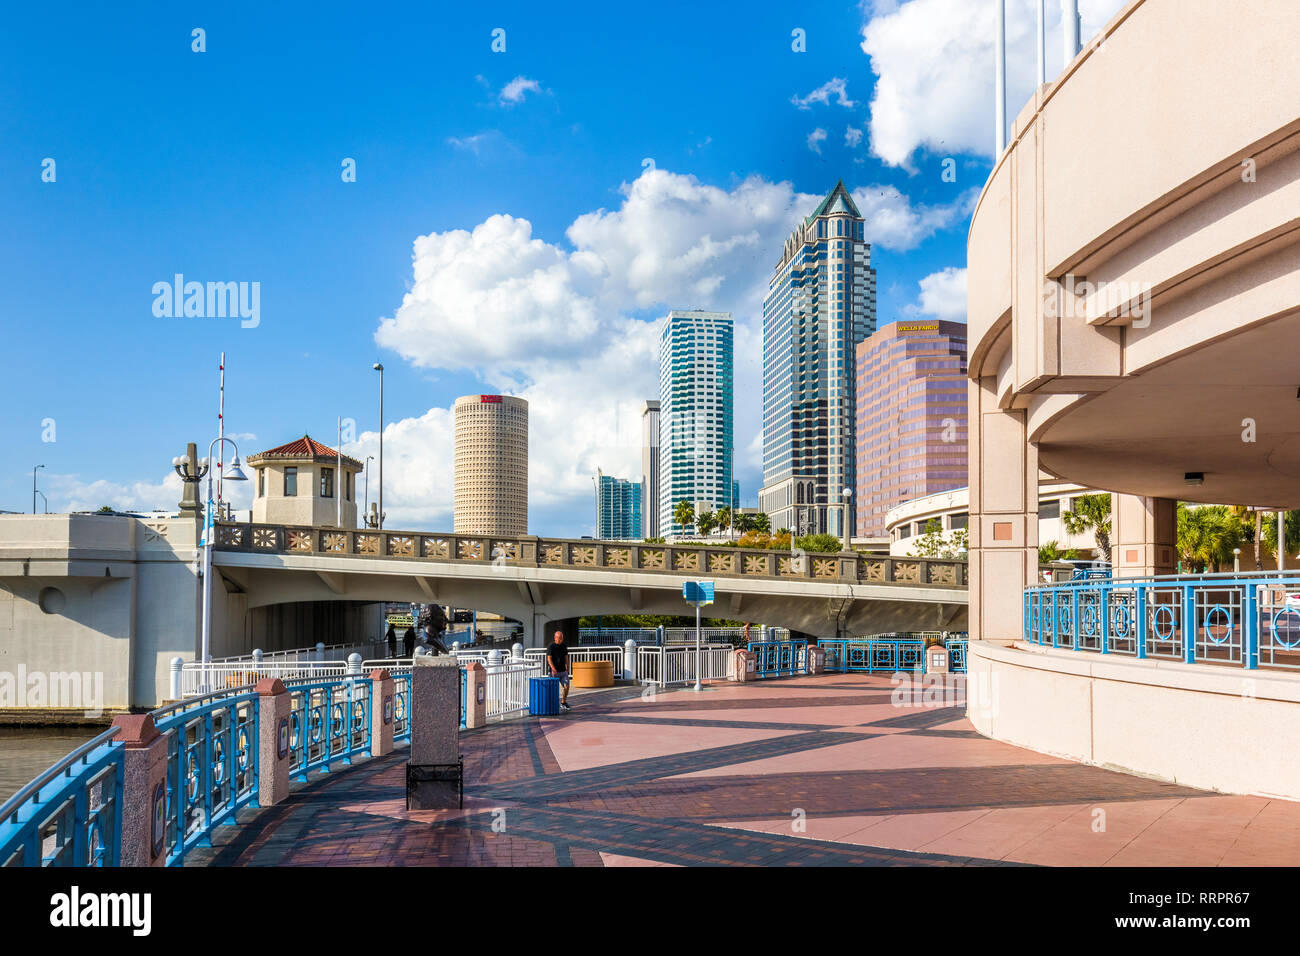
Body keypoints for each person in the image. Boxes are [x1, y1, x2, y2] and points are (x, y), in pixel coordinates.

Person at [546, 629, 571, 711]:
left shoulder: (564, 646)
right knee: (552, 689)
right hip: (554, 672)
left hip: (563, 671)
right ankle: (551, 704)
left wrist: (567, 667)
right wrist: (553, 668)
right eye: (559, 638)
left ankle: (563, 703)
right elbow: (549, 658)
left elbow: (566, 657)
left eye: (562, 638)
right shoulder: (551, 646)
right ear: (555, 638)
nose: (561, 640)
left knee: (566, 686)